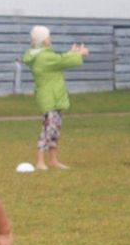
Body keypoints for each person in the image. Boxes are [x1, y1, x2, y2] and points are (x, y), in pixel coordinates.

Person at [23, 25, 89, 170]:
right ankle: (40, 161)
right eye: (48, 36)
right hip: (49, 98)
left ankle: (53, 160)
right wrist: (79, 54)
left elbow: (59, 59)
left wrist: (71, 53)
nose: (50, 39)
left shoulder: (43, 55)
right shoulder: (43, 56)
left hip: (54, 96)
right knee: (47, 130)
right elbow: (61, 61)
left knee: (54, 130)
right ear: (43, 41)